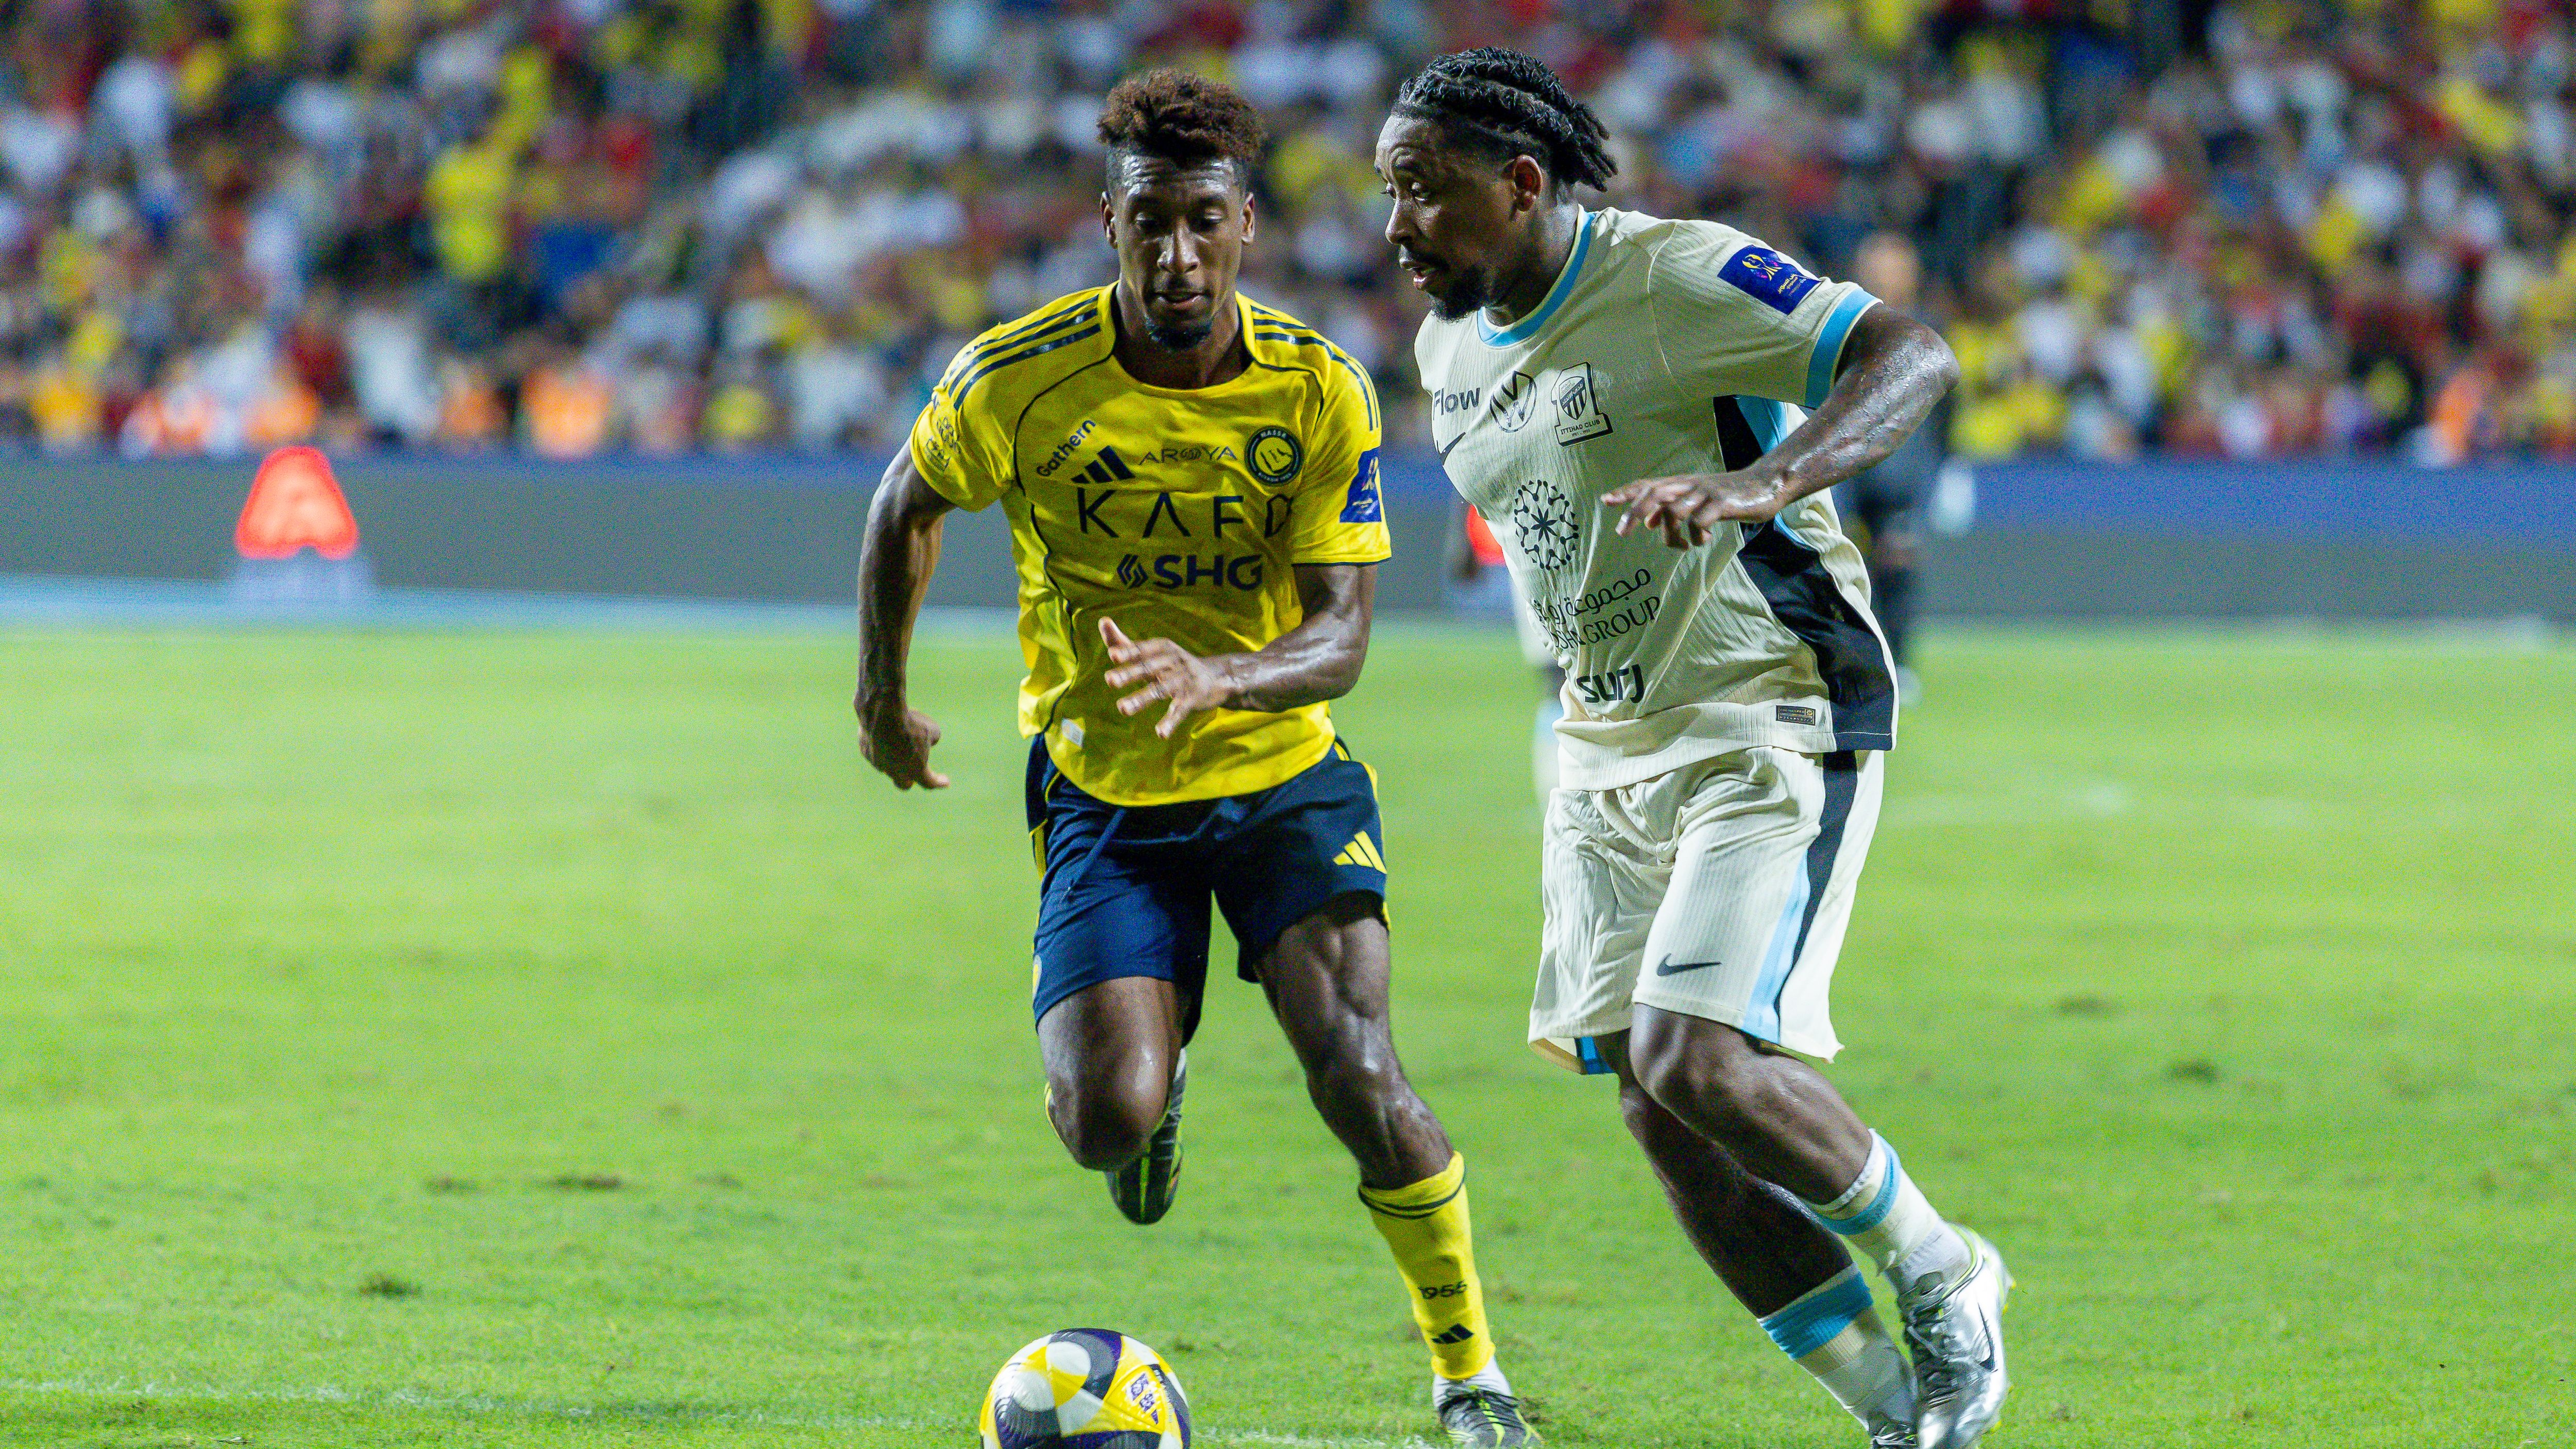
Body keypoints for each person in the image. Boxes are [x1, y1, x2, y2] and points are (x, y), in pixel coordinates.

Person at [854, 70, 1536, 1447]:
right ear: (1110, 223)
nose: (1176, 253)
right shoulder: (1019, 377)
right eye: (1148, 221)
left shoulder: (1317, 388)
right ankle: (1153, 1100)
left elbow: (1341, 637)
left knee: (1359, 1072)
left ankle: (1473, 1380)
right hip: (1105, 791)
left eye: (1203, 222)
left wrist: (1218, 675)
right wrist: (881, 695)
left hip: (1282, 772)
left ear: (1245, 229)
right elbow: (907, 504)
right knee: (1104, 1120)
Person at [1376, 48, 2009, 1449]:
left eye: (1423, 191)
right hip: (1602, 744)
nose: (1396, 226)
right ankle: (1897, 1410)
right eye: (1387, 195)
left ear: (1523, 181)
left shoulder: (1674, 276)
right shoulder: (1444, 349)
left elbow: (1912, 352)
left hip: (1768, 701)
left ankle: (1946, 1265)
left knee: (1701, 1058)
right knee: (1663, 1114)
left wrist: (1764, 481)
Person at [1835, 233, 1948, 700]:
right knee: (1842, 572)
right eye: (1875, 267)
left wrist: (1924, 489)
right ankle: (1853, 665)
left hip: (1898, 478)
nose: (1882, 277)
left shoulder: (1928, 334)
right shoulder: (1840, 327)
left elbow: (1940, 422)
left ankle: (1898, 664)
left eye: (1892, 268)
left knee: (1897, 570)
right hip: (1842, 472)